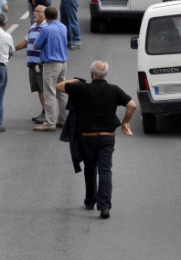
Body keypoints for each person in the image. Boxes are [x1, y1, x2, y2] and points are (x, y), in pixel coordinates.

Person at [57, 62, 137, 219]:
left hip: (88, 138)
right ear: (105, 74)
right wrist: (125, 122)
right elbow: (132, 106)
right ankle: (105, 206)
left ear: (92, 74)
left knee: (90, 168)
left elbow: (59, 86)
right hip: (107, 137)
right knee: (105, 170)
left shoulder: (83, 88)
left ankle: (90, 200)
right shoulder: (114, 90)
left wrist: (77, 80)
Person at [33, 7, 69, 132]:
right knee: (62, 93)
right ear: (57, 15)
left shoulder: (46, 29)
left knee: (49, 93)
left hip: (51, 64)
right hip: (63, 62)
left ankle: (50, 122)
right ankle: (63, 119)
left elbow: (36, 45)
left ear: (46, 16)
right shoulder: (62, 27)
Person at [16, 6, 48, 124]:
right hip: (32, 64)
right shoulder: (33, 27)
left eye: (37, 11)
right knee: (39, 89)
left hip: (41, 65)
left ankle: (47, 113)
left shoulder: (46, 28)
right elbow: (25, 42)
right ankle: (44, 111)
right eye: (34, 11)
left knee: (44, 89)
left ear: (44, 14)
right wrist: (11, 50)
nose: (34, 13)